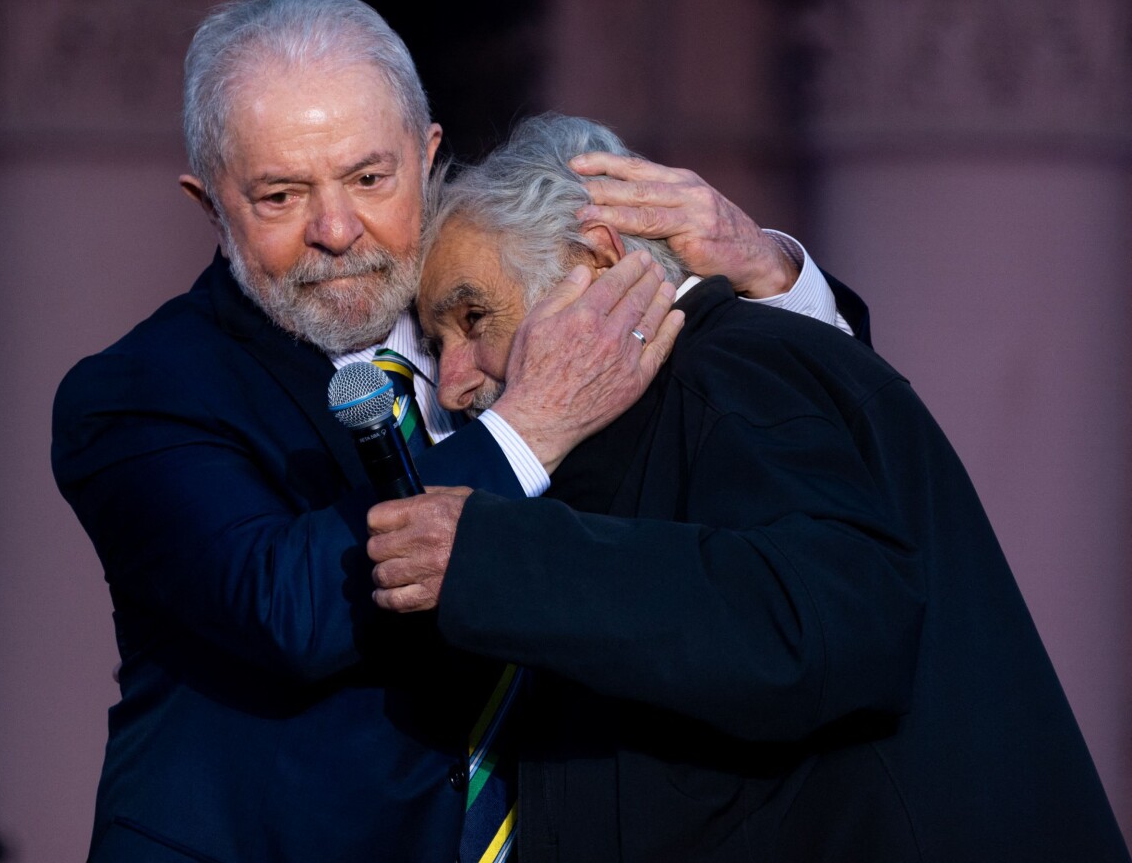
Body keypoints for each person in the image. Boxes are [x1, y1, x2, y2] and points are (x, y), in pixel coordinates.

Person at [52, 0, 858, 862]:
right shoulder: (137, 392)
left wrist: (773, 274)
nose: (335, 228)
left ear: (427, 155)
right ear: (210, 204)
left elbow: (767, 443)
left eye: (369, 178)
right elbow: (285, 605)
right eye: (280, 196)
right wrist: (529, 429)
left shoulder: (501, 295)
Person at [369, 113, 1131, 862]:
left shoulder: (735, 371)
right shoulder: (665, 413)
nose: (455, 383)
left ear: (598, 262)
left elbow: (819, 622)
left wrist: (497, 558)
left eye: (474, 318)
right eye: (436, 347)